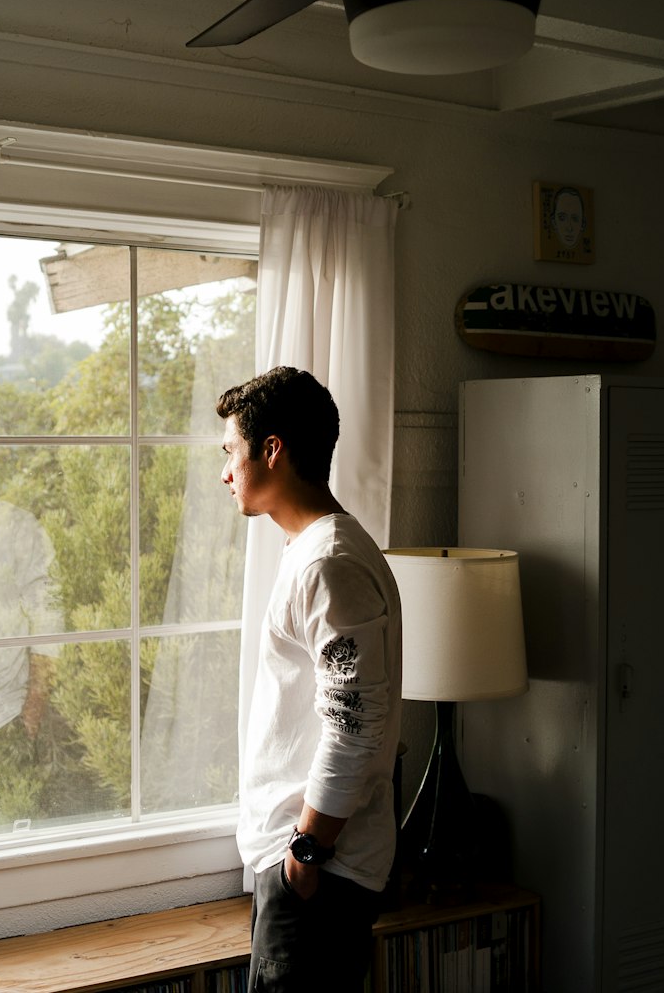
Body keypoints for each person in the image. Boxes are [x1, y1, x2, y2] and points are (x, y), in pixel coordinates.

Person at [217, 366, 402, 991]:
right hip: (312, 869)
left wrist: (305, 854)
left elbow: (355, 725)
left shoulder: (328, 562)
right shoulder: (316, 550)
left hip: (321, 875)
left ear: (272, 451)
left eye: (231, 453)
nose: (225, 473)